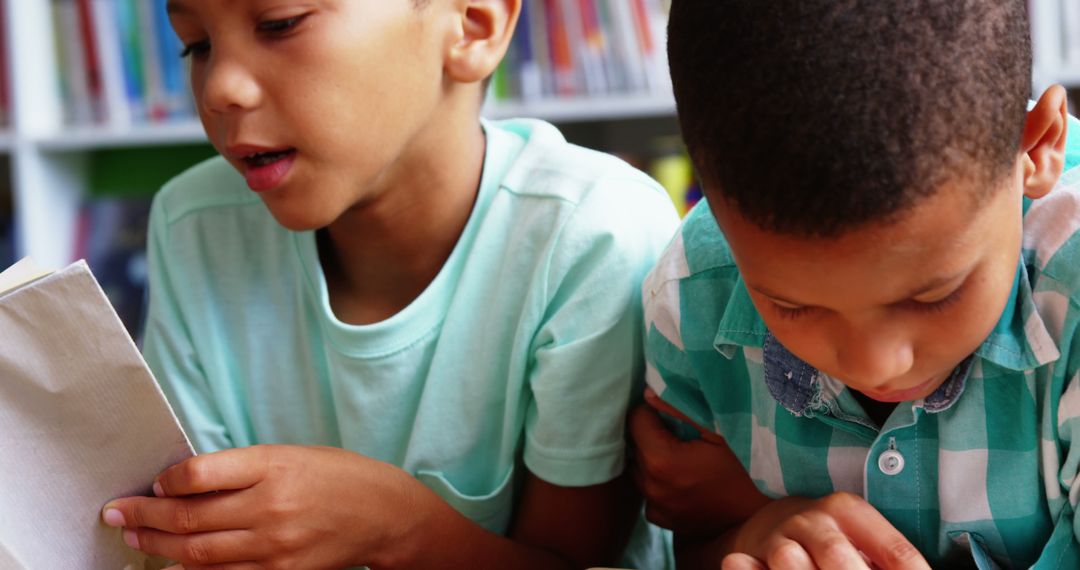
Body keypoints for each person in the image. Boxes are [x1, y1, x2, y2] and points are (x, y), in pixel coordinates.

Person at [99, 1, 680, 568]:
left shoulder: (594, 233)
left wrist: (394, 527)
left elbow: (578, 558)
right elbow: (198, 537)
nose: (218, 88)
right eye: (197, 45)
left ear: (473, 26)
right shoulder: (193, 225)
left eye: (280, 24)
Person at [632, 0, 1080, 568]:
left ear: (1036, 150)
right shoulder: (693, 294)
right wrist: (754, 532)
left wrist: (751, 503)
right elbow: (689, 540)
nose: (876, 366)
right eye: (790, 305)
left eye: (933, 295)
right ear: (713, 206)